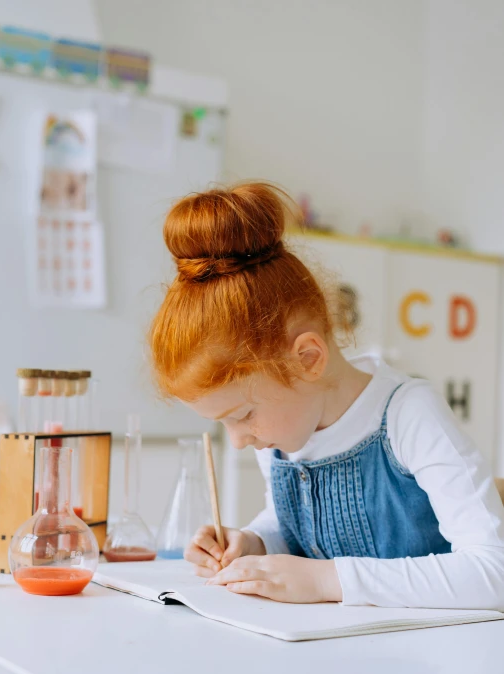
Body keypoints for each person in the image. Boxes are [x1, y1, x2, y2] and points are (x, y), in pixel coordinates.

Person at [149, 182, 504, 609]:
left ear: (308, 359)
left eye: (242, 415)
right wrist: (255, 542)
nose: (239, 439)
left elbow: (492, 572)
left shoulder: (409, 416)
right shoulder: (283, 433)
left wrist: (326, 580)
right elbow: (294, 526)